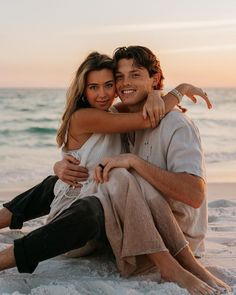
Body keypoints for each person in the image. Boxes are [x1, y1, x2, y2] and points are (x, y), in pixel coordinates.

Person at [0, 50, 229, 294]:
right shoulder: (87, 116)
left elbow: (145, 113)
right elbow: (147, 120)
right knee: (64, 183)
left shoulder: (117, 112)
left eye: (109, 84)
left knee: (100, 178)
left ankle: (180, 263)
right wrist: (179, 89)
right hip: (79, 213)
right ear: (83, 91)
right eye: (94, 87)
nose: (103, 94)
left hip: (99, 197)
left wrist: (155, 93)